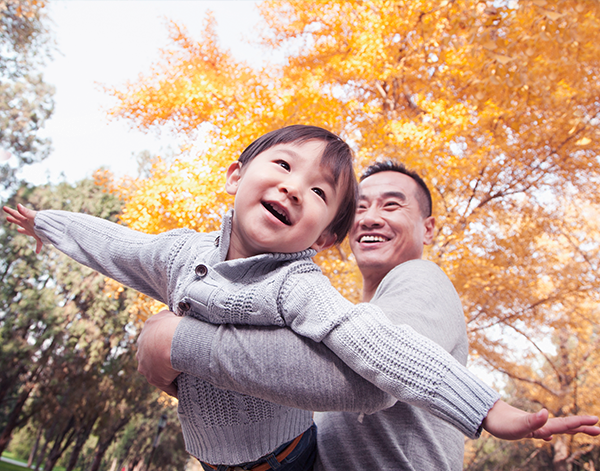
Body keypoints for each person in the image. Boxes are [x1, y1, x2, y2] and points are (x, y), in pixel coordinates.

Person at [5, 126, 598, 471]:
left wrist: (487, 410)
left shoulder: (335, 286)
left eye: (391, 204)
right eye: (361, 204)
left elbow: (375, 363)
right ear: (236, 175)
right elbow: (122, 246)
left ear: (323, 237)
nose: (293, 187)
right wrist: (49, 225)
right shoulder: (184, 255)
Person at [135, 160, 600, 470]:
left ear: (428, 227)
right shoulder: (338, 318)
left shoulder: (421, 279)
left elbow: (366, 383)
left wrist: (178, 342)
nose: (370, 217)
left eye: (391, 205)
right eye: (357, 208)